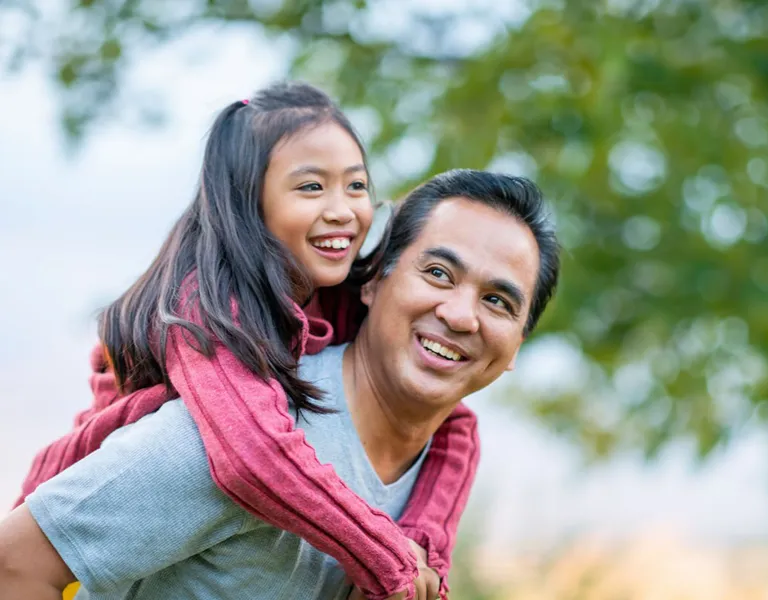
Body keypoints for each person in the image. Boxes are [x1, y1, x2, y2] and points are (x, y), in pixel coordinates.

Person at [11, 82, 479, 600]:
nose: (343, 209)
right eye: (310, 187)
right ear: (248, 203)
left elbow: (455, 423)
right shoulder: (204, 307)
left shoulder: (338, 293)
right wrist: (385, 557)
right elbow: (251, 453)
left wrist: (424, 548)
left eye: (356, 185)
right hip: (94, 513)